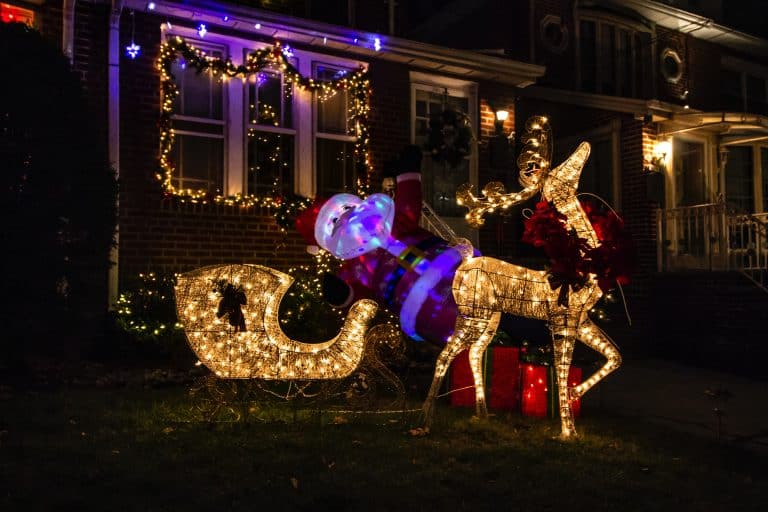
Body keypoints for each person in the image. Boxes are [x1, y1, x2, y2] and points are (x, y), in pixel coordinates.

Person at [295, 145, 475, 345]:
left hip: (458, 271)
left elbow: (408, 204)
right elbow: (362, 300)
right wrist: (344, 296)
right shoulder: (353, 269)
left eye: (346, 209)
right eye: (335, 222)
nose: (345, 217)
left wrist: (408, 174)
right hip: (424, 311)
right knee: (466, 339)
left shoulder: (392, 222)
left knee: (491, 297)